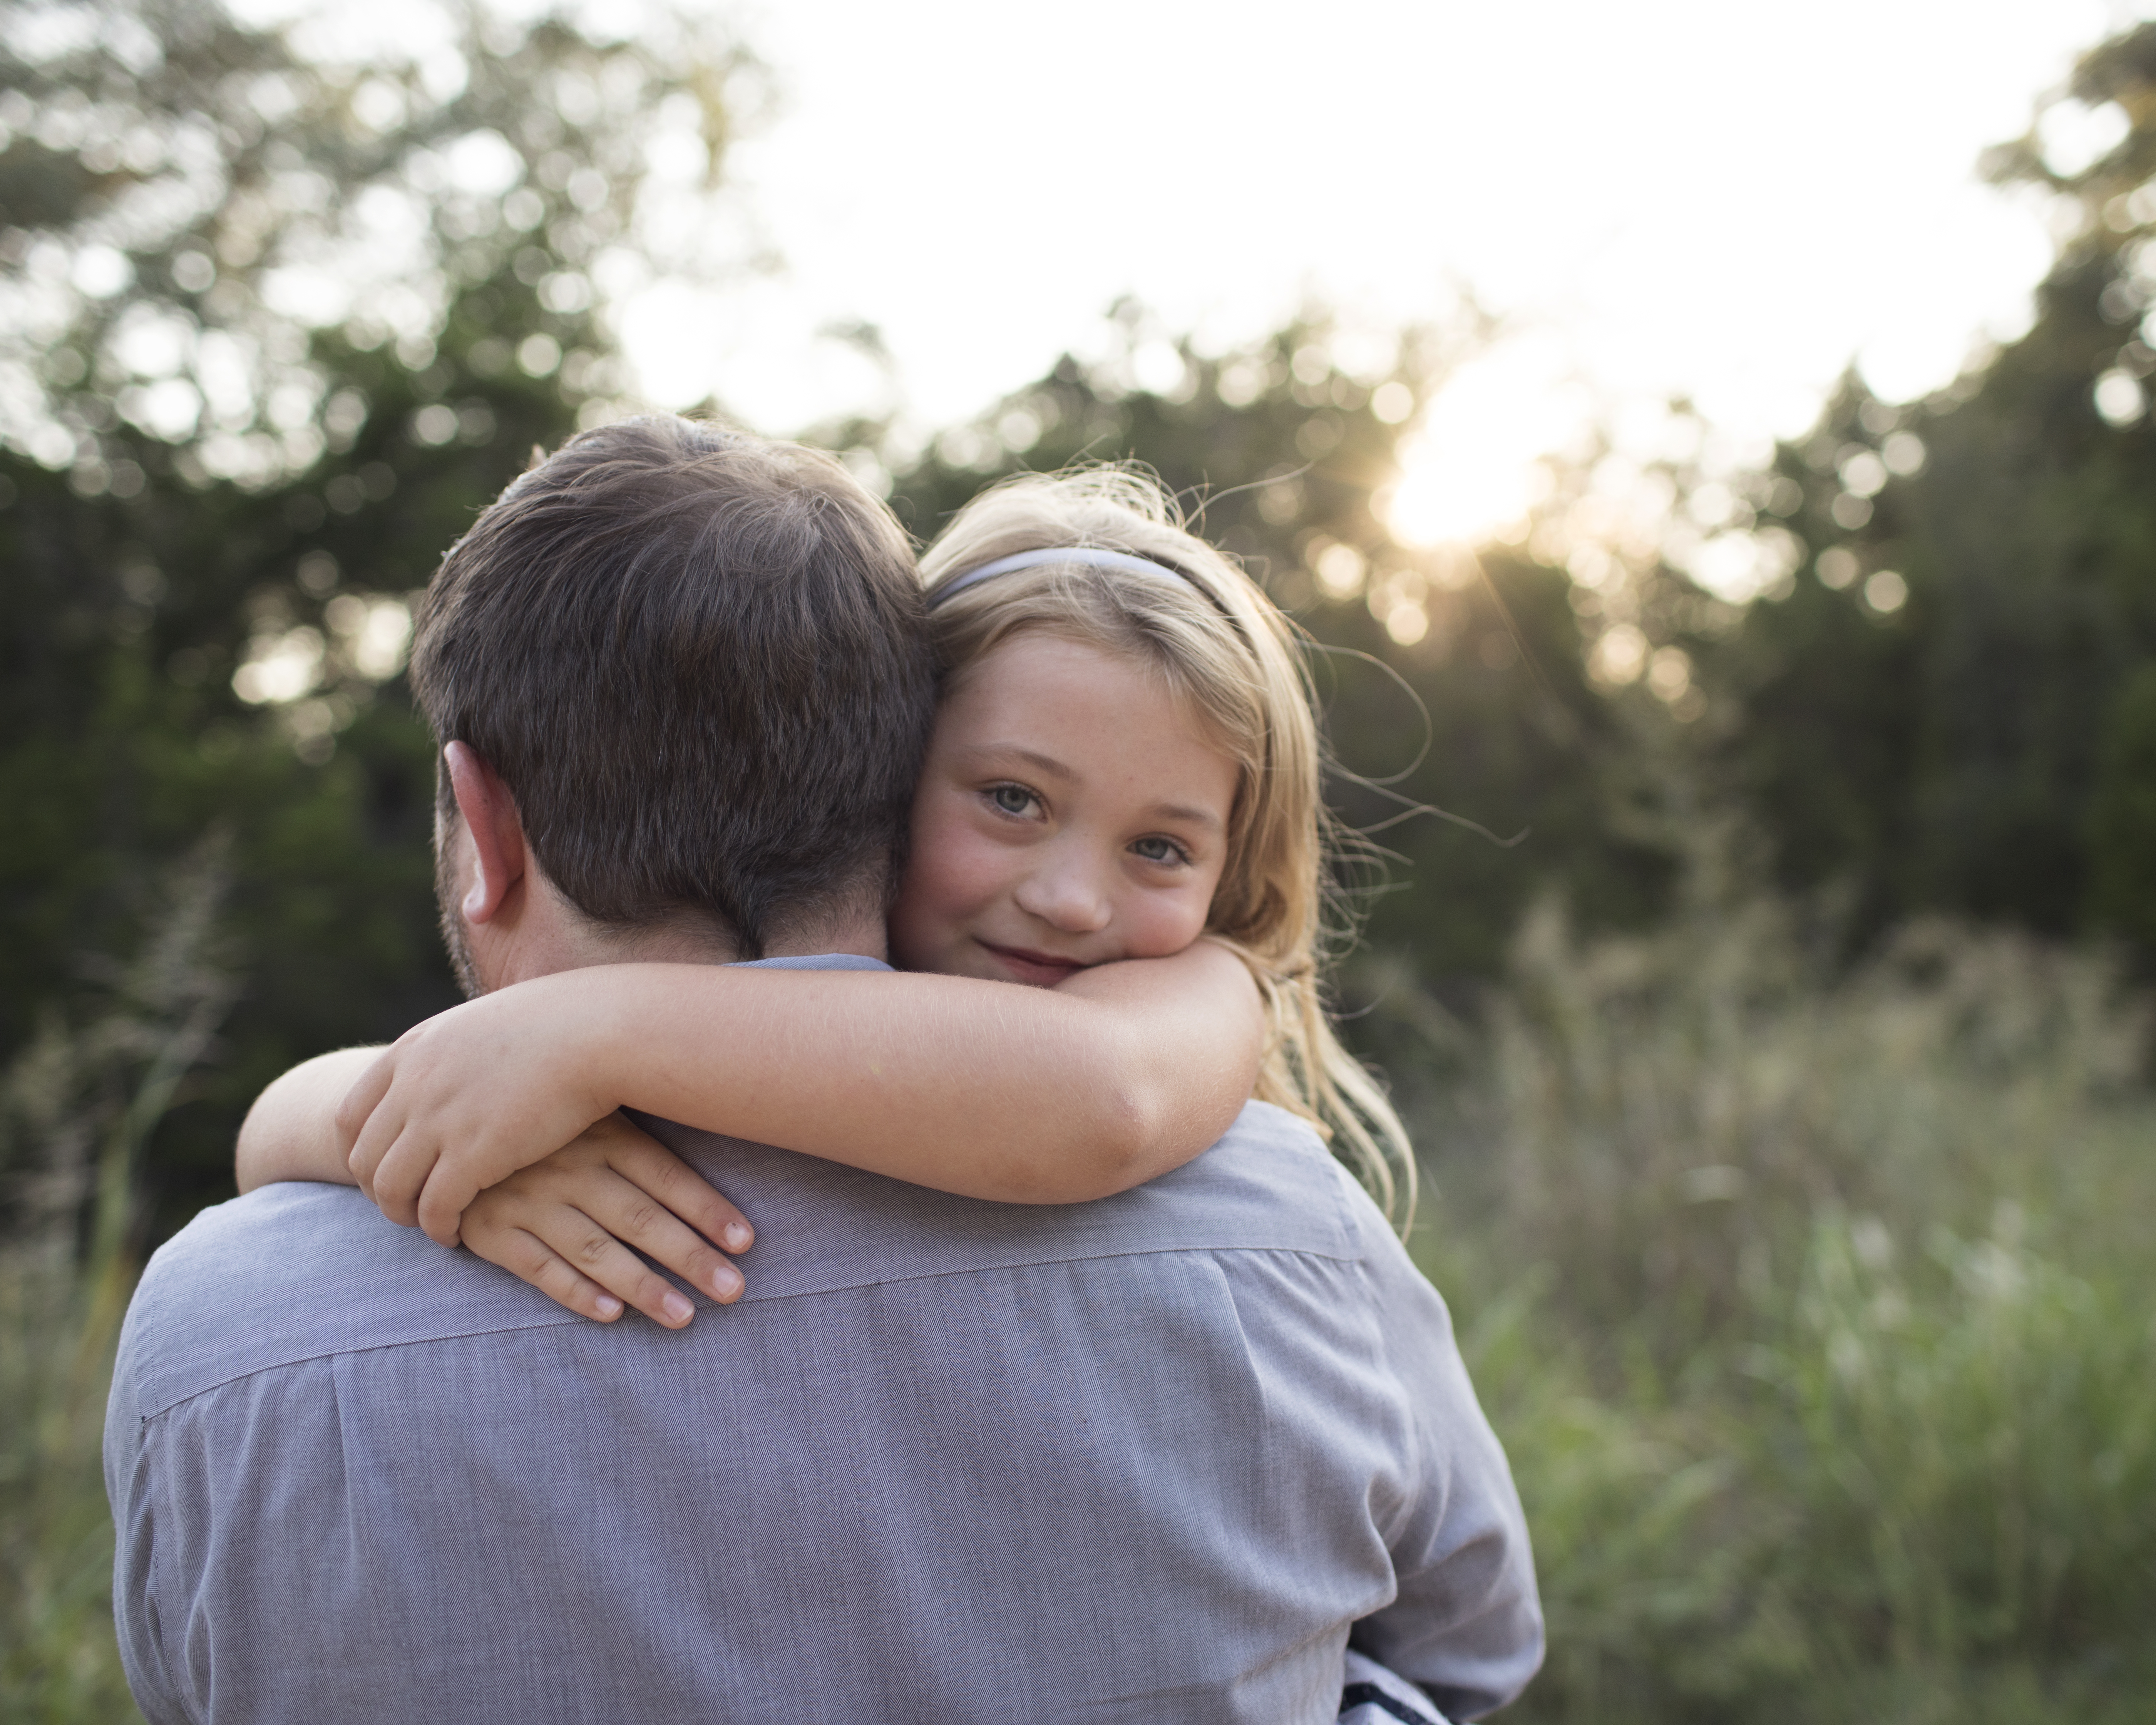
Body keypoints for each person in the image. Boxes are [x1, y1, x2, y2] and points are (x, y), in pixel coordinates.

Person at [107, 416, 1543, 1723]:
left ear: (480, 824)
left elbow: (1100, 1102)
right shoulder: (1296, 1237)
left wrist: (589, 1031)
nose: (1067, 898)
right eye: (1012, 800)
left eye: (1159, 847)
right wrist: (417, 1137)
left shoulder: (213, 1347)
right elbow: (1466, 1658)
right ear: (892, 782)